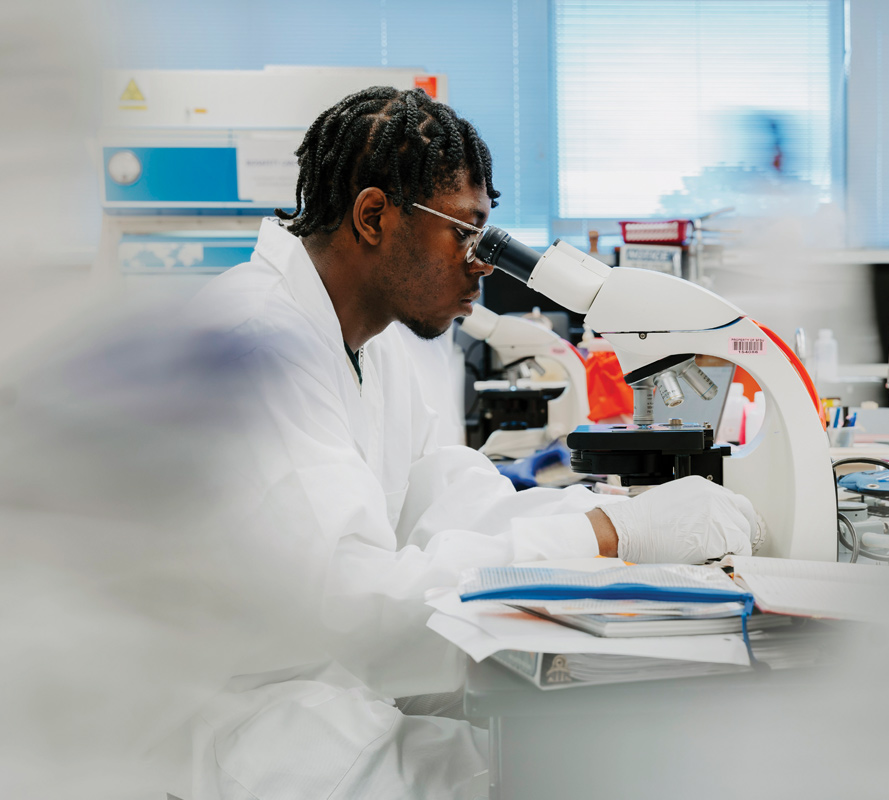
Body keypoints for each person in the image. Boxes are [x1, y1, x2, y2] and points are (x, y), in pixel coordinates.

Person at [185, 87, 762, 799]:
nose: (483, 263)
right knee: (560, 774)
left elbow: (451, 502)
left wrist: (621, 525)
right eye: (466, 232)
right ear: (373, 217)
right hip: (251, 734)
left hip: (331, 693)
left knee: (590, 749)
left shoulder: (371, 344)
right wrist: (607, 534)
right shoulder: (256, 345)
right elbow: (356, 607)